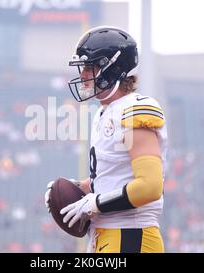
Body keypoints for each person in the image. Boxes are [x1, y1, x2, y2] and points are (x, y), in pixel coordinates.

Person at [45, 26, 168, 253]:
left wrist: (96, 202)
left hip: (130, 235)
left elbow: (150, 186)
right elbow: (113, 177)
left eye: (90, 66)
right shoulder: (106, 112)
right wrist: (77, 188)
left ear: (114, 68)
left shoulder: (134, 109)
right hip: (107, 236)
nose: (82, 74)